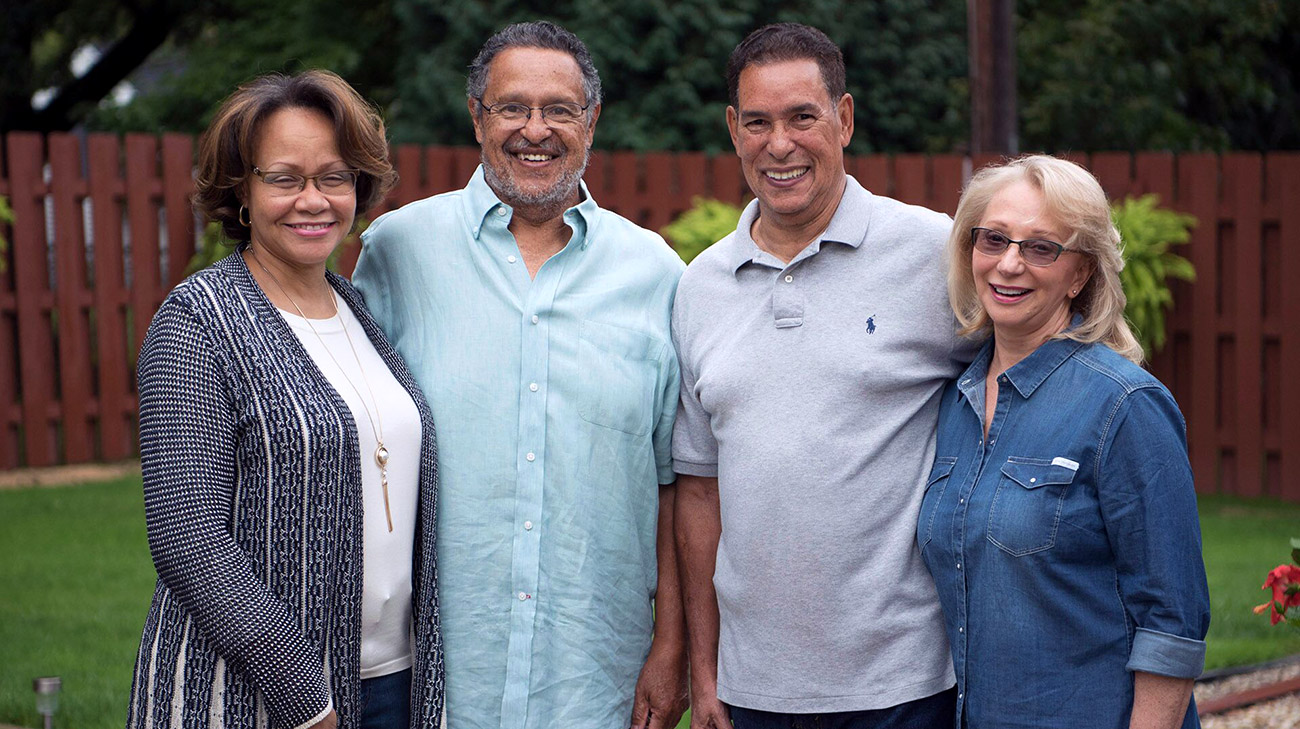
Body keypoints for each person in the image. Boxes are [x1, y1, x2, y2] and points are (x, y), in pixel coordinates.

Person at [351, 21, 688, 729]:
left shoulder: (657, 274)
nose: (535, 130)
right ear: (476, 117)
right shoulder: (397, 251)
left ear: (591, 123)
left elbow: (674, 482)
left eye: (559, 110)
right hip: (434, 676)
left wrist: (671, 646)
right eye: (512, 107)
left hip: (595, 679)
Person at [673, 23, 972, 729]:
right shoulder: (700, 285)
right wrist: (705, 670)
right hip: (751, 690)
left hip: (905, 683)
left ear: (843, 118)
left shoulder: (934, 253)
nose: (780, 144)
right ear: (732, 129)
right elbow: (697, 490)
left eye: (802, 117)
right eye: (758, 122)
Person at [126, 70, 444, 729]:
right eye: (284, 178)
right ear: (242, 190)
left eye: (334, 175)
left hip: (392, 683)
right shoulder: (197, 323)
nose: (314, 199)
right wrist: (308, 701)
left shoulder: (357, 309)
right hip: (254, 699)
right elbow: (188, 538)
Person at [919, 154, 1211, 728]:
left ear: (1080, 274)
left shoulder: (1124, 405)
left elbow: (1171, 622)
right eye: (994, 239)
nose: (1009, 264)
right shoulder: (955, 402)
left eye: (1041, 247)